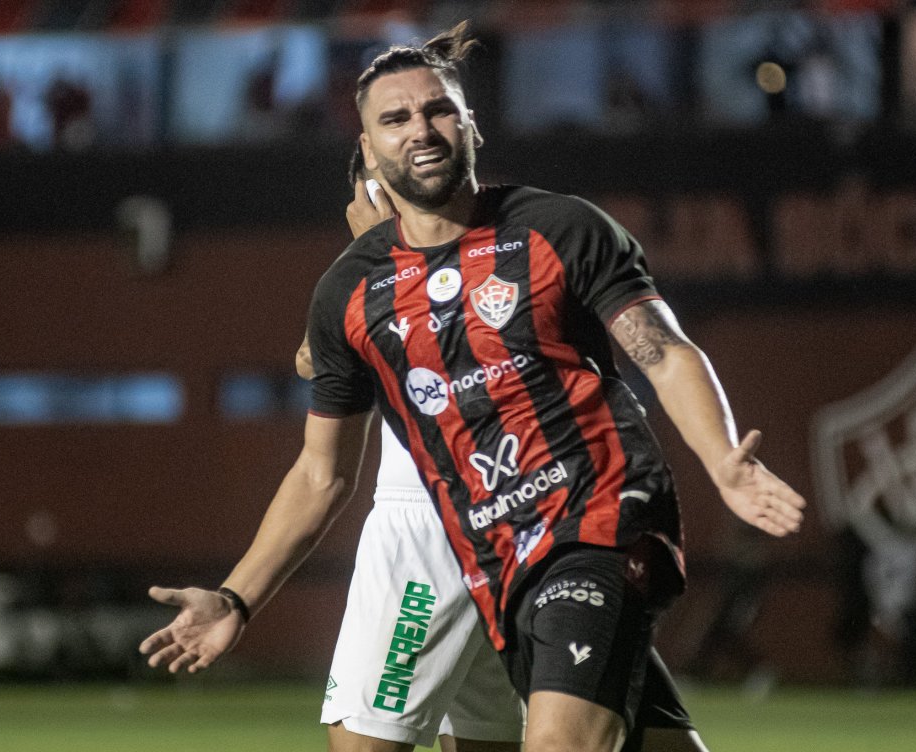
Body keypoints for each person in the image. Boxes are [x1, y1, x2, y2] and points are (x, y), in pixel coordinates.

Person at [140, 22, 805, 752]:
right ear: (366, 149)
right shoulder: (350, 293)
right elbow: (320, 472)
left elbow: (665, 351)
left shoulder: (559, 227)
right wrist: (238, 596)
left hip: (600, 520)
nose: (420, 130)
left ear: (472, 126)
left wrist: (721, 461)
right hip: (492, 555)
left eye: (438, 111)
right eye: (395, 119)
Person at [310, 154, 526, 752]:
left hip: (432, 521)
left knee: (364, 743)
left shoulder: (494, 254)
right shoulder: (377, 274)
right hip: (512, 517)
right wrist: (372, 260)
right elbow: (318, 357)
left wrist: (379, 253)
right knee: (488, 741)